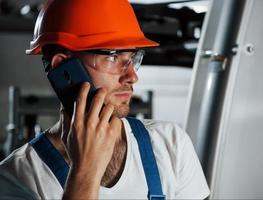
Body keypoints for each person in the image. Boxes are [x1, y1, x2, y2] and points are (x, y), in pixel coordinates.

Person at [0, 0, 210, 199]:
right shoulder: (15, 178)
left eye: (132, 59)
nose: (132, 76)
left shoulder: (171, 144)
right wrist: (84, 173)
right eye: (112, 57)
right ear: (63, 68)